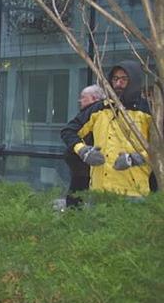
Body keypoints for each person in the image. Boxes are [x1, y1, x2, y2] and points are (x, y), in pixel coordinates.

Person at [62, 63, 153, 197]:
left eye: (124, 79)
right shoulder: (99, 108)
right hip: (99, 190)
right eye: (115, 79)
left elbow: (159, 148)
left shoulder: (147, 111)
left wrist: (136, 158)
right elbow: (69, 131)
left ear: (134, 80)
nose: (118, 83)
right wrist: (83, 150)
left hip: (134, 192)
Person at [63, 85, 105, 207]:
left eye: (83, 97)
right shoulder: (89, 113)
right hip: (82, 168)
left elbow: (69, 131)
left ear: (94, 98)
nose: (79, 100)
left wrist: (83, 151)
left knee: (76, 203)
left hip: (87, 169)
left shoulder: (94, 112)